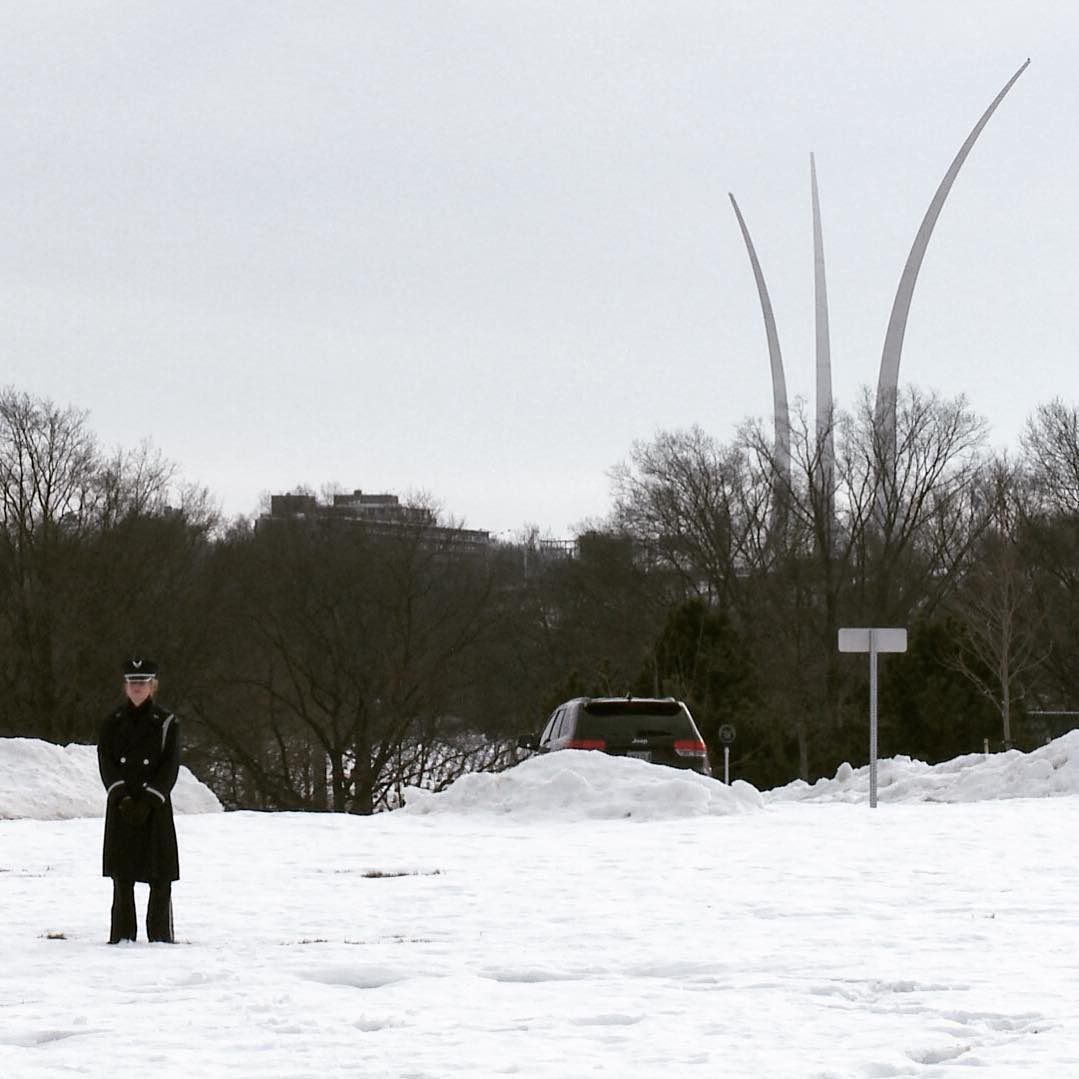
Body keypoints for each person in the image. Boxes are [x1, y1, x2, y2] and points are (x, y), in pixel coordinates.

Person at [97, 657, 181, 943]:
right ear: (125, 686)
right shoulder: (112, 722)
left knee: (160, 876)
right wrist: (121, 796)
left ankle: (160, 936)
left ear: (152, 685)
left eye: (142, 682)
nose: (137, 688)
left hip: (154, 807)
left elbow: (170, 765)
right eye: (132, 682)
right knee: (122, 876)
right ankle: (122, 936)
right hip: (122, 807)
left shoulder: (167, 723)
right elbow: (106, 762)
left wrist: (149, 799)